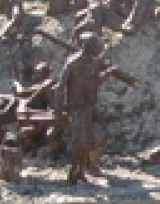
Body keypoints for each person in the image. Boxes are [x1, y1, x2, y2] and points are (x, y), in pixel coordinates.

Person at [52, 30, 135, 182]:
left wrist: (108, 73)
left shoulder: (95, 62)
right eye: (96, 48)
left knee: (90, 141)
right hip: (75, 106)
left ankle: (82, 172)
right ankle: (73, 174)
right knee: (80, 142)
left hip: (89, 106)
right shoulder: (72, 63)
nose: (98, 51)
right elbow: (60, 86)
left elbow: (95, 82)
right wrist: (57, 110)